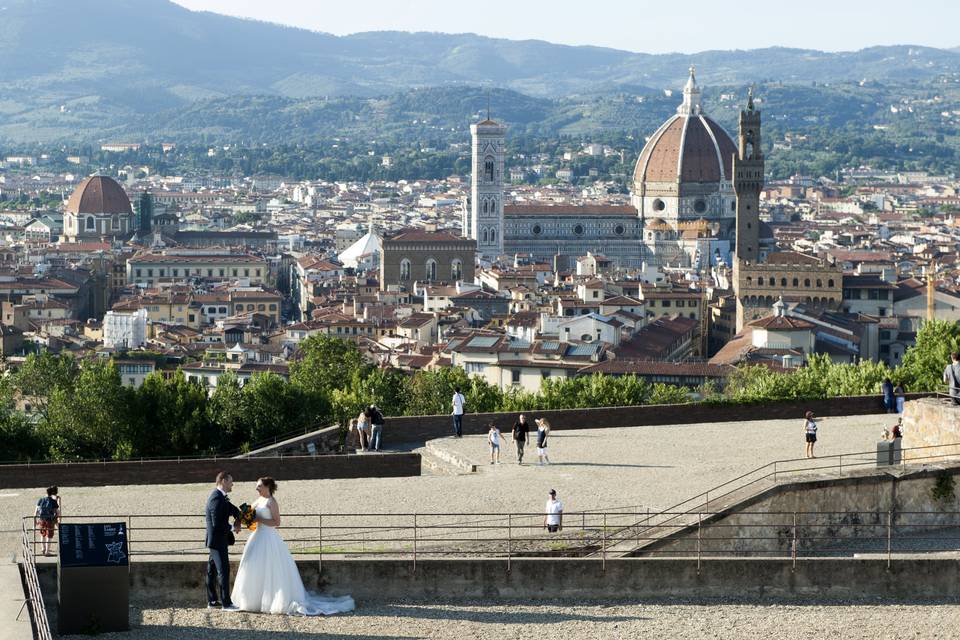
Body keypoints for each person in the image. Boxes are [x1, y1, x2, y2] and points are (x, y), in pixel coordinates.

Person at [232, 477, 355, 615]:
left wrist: (259, 519)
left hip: (269, 537)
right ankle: (252, 601)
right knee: (254, 567)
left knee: (272, 569)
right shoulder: (259, 500)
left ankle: (271, 601)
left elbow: (276, 522)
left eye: (259, 486)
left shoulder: (272, 502)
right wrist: (239, 521)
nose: (257, 488)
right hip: (257, 537)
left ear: (267, 487)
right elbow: (246, 513)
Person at [205, 471, 242, 610]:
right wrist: (233, 527)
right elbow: (217, 523)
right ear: (224, 481)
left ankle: (213, 601)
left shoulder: (222, 497)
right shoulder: (216, 497)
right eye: (231, 481)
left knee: (212, 570)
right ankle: (226, 603)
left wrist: (239, 518)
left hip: (218, 540)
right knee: (223, 570)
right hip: (217, 541)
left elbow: (233, 509)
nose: (233, 484)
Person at [34, 486, 60, 557]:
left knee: (43, 534)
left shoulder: (41, 500)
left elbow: (36, 511)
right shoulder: (53, 501)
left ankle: (43, 548)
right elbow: (57, 512)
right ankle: (47, 551)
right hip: (50, 520)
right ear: (52, 493)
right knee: (49, 535)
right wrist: (58, 519)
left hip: (42, 519)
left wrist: (35, 520)